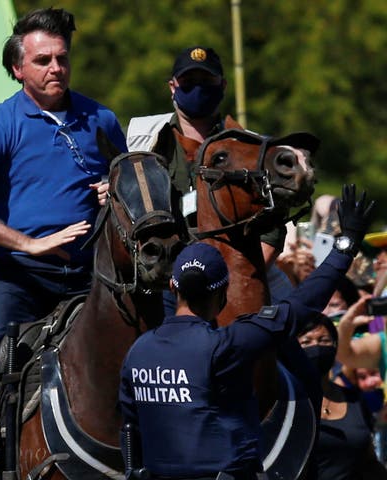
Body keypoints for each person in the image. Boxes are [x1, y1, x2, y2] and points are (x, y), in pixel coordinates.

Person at [0, 7, 126, 477]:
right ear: (17, 69)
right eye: (42, 60)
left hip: (92, 280)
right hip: (19, 281)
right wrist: (28, 244)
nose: (55, 69)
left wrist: (114, 191)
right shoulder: (0, 123)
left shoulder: (101, 119)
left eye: (61, 58)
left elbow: (131, 192)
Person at [118, 184, 373, 480]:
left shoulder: (137, 353)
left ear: (173, 286)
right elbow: (300, 307)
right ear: (224, 293)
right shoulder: (226, 345)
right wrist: (345, 247)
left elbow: (129, 429)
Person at [126, 46, 300, 312]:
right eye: (188, 82)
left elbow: (272, 228)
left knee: (291, 342)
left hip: (239, 282)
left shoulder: (249, 145)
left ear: (223, 85)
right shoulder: (143, 142)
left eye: (207, 81)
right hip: (165, 284)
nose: (198, 88)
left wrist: (234, 279)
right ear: (172, 86)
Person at [297, 313, 387, 479]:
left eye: (324, 340)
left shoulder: (354, 399)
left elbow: (369, 461)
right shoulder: (284, 402)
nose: (316, 347)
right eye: (306, 341)